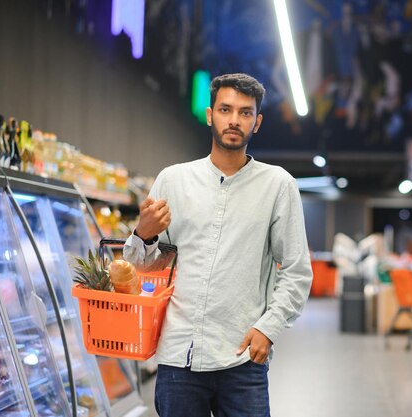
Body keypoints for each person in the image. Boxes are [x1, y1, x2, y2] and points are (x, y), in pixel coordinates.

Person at [123, 73, 313, 417]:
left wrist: (267, 329)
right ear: (210, 115)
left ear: (257, 122)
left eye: (245, 112)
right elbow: (143, 266)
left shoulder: (278, 186)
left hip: (242, 357)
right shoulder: (174, 180)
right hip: (180, 357)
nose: (234, 120)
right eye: (226, 109)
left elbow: (298, 271)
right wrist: (144, 233)